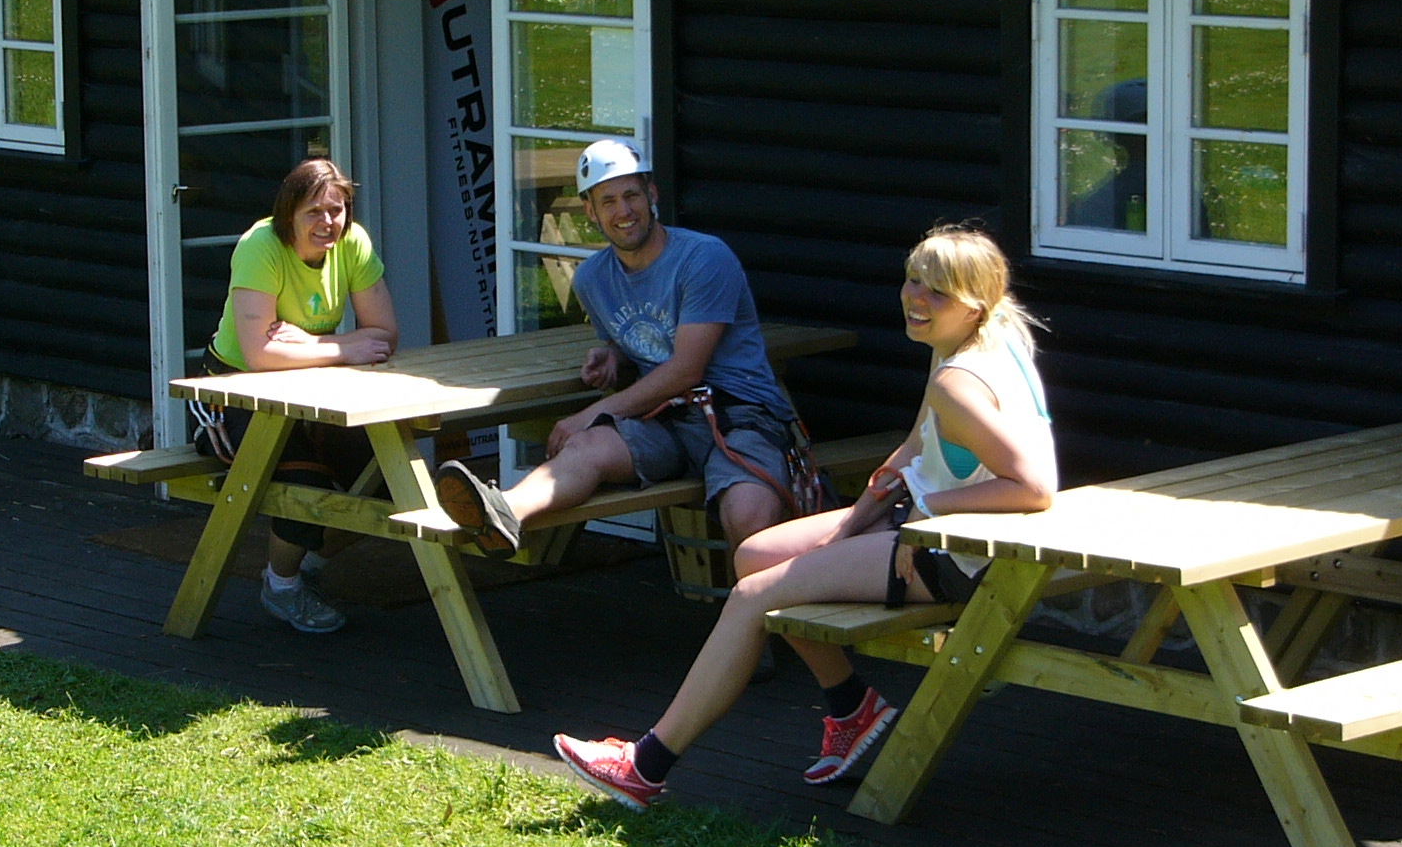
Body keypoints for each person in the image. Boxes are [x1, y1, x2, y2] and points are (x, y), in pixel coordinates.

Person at [551, 224, 1056, 808]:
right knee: (756, 554)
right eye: (913, 279)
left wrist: (931, 505)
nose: (916, 298)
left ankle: (645, 765)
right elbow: (918, 446)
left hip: (955, 558)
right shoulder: (986, 342)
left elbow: (1035, 486)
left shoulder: (956, 381)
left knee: (751, 596)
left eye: (937, 292)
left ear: (975, 305)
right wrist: (850, 522)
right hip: (939, 534)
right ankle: (851, 707)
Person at [433, 138, 797, 563]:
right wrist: (615, 356)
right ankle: (504, 513)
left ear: (652, 195)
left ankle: (760, 620)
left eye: (631, 196)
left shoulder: (704, 258)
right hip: (666, 422)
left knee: (748, 516)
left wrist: (592, 414)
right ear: (590, 212)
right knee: (584, 449)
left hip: (737, 416)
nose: (623, 211)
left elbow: (685, 369)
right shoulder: (592, 279)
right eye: (608, 201)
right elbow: (644, 344)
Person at [191, 157, 398, 635]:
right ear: (289, 215)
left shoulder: (355, 243)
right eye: (314, 212)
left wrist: (304, 345)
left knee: (384, 486)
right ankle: (281, 588)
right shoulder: (259, 246)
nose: (328, 223)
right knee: (305, 490)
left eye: (338, 210)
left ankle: (300, 569)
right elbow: (259, 355)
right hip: (233, 394)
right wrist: (342, 346)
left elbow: (384, 336)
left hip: (316, 391)